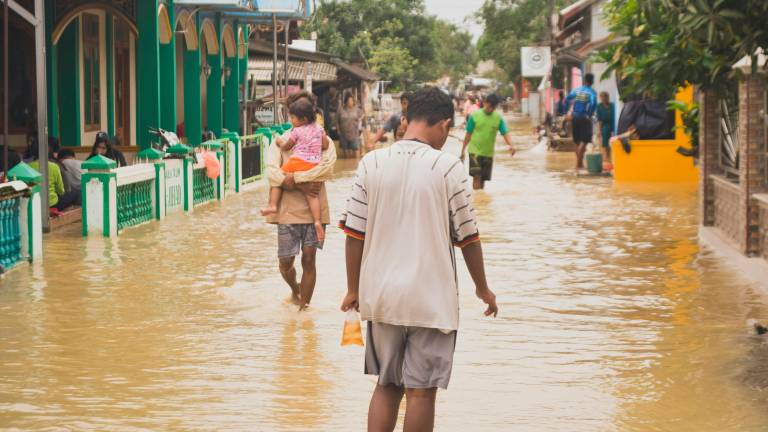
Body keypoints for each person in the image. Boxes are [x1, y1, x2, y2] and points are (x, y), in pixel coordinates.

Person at [340, 87, 498, 432]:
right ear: (443, 124)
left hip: (380, 295)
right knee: (422, 392)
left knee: (386, 384)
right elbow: (469, 239)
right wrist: (483, 289)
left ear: (407, 119)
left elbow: (354, 235)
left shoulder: (372, 163)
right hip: (431, 299)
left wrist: (353, 289)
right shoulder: (449, 169)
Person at [266, 94, 337, 311]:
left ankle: (304, 309)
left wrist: (292, 179)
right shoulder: (282, 140)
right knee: (285, 261)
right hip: (287, 210)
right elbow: (271, 173)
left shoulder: (324, 140)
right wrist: (302, 183)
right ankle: (295, 289)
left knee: (309, 258)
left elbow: (328, 168)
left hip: (315, 209)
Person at [261, 98, 331, 242]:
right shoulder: (319, 130)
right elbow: (325, 146)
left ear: (303, 118)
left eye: (292, 117)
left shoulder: (297, 132)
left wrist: (280, 142)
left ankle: (272, 204)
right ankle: (317, 220)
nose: (290, 120)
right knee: (313, 196)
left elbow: (286, 148)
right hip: (313, 165)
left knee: (279, 178)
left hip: (297, 162)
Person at [461, 93, 517, 190]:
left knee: (483, 180)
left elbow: (505, 133)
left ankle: (481, 201)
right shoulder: (474, 116)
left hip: (488, 153)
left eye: (493, 107)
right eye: (489, 106)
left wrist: (511, 145)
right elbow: (468, 134)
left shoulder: (498, 118)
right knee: (476, 177)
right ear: (485, 103)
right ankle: (477, 203)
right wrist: (463, 150)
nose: (490, 109)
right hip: (474, 152)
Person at [28, 139, 80, 213]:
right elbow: (61, 191)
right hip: (53, 204)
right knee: (77, 193)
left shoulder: (28, 167)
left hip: (34, 204)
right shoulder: (54, 166)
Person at [565, 73, 598, 170]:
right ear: (592, 81)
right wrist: (589, 113)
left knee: (577, 142)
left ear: (584, 80)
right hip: (584, 118)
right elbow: (593, 103)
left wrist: (570, 111)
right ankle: (578, 164)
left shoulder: (576, 90)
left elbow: (567, 100)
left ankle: (580, 164)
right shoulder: (591, 92)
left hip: (575, 118)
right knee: (584, 141)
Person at [336, 93, 365, 159]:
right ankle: (347, 167)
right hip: (343, 134)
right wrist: (338, 131)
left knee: (356, 149)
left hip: (354, 133)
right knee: (346, 154)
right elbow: (337, 121)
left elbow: (363, 114)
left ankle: (356, 166)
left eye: (352, 101)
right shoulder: (340, 110)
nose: (351, 103)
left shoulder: (356, 109)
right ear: (346, 102)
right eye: (349, 101)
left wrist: (359, 119)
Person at [595, 91, 615, 161]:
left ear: (608, 97)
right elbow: (600, 120)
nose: (604, 99)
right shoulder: (599, 107)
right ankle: (607, 155)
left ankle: (610, 155)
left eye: (605, 97)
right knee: (605, 134)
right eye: (602, 97)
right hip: (605, 125)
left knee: (613, 139)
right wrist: (599, 131)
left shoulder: (613, 105)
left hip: (613, 124)